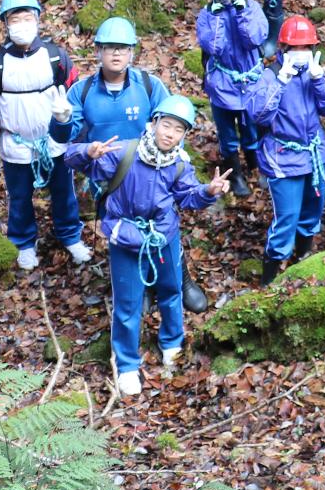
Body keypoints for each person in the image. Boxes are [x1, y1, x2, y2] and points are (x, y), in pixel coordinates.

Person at [65, 95, 227, 396]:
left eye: (178, 130)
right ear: (153, 124)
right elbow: (72, 159)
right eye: (166, 125)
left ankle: (172, 343)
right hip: (125, 237)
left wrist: (208, 191)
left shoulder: (178, 164)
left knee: (171, 290)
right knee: (127, 303)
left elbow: (188, 196)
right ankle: (126, 363)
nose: (170, 134)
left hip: (163, 236)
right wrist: (88, 152)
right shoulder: (124, 152)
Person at [0, 0, 91, 271]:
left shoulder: (56, 57)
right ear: (6, 24)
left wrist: (80, 137)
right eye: (15, 19)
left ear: (37, 20)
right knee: (20, 197)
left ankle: (70, 235)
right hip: (16, 146)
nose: (22, 24)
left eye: (27, 18)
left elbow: (76, 96)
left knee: (64, 193)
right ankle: (24, 242)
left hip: (55, 142)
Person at [245, 17, 325, 281]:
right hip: (283, 157)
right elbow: (259, 115)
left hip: (313, 155)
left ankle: (303, 260)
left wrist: (320, 78)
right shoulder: (269, 76)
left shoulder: (313, 76)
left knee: (313, 210)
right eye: (294, 48)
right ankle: (271, 278)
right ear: (283, 49)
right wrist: (281, 81)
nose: (300, 54)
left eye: (305, 48)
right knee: (286, 218)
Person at [66, 17, 170, 215]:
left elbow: (171, 126)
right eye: (109, 47)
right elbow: (67, 138)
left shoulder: (150, 86)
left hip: (146, 172)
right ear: (98, 50)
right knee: (113, 231)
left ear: (131, 52)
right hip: (101, 174)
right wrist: (60, 121)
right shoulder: (81, 91)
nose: (116, 53)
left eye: (123, 48)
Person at [195, 0, 268, 202]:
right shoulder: (206, 15)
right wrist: (217, 16)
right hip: (222, 83)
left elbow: (254, 39)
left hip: (250, 80)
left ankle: (255, 163)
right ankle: (234, 173)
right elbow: (213, 47)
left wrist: (241, 12)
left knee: (252, 126)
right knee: (227, 132)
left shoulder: (253, 8)